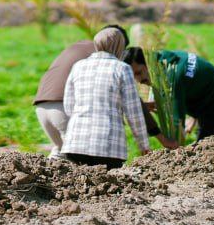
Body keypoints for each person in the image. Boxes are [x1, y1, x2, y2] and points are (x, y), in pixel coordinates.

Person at [32, 24, 157, 156]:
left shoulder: (80, 47)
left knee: (60, 152)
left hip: (41, 106)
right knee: (79, 161)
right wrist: (156, 134)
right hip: (62, 109)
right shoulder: (107, 59)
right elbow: (131, 103)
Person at [60, 27, 152, 169]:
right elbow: (134, 113)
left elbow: (68, 106)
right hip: (108, 147)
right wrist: (144, 145)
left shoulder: (78, 66)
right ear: (120, 46)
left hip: (75, 145)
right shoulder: (122, 68)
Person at [124, 46, 214, 142]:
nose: (138, 80)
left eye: (139, 73)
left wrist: (174, 150)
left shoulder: (173, 76)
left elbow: (177, 125)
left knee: (207, 154)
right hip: (210, 108)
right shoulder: (165, 59)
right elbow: (194, 83)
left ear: (148, 63)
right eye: (133, 76)